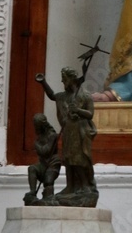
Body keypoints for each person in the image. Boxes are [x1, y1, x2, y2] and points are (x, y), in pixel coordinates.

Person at [35, 68, 98, 205]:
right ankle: (70, 187)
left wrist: (78, 110)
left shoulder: (85, 96)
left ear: (72, 79)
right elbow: (52, 96)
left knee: (79, 159)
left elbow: (90, 114)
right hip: (68, 131)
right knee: (68, 159)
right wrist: (43, 82)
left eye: (64, 78)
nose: (62, 81)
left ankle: (85, 186)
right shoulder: (63, 96)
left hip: (80, 132)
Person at [24, 113, 61, 204]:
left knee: (48, 182)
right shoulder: (40, 136)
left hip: (52, 163)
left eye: (36, 126)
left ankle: (48, 198)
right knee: (32, 168)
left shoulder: (52, 135)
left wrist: (36, 144)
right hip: (43, 164)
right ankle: (33, 192)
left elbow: (46, 151)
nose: (35, 128)